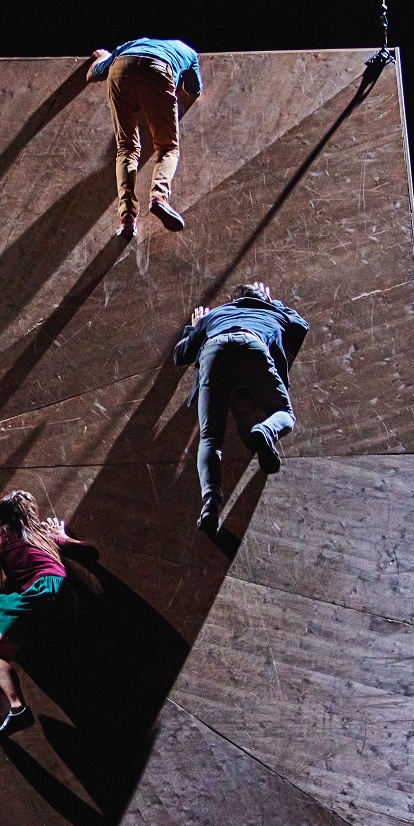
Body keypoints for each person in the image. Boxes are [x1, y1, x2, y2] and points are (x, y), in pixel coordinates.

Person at [0, 490, 99, 736]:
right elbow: (91, 553)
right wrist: (62, 536)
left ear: (0, 518)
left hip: (39, 598)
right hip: (65, 598)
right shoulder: (44, 536)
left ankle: (18, 709)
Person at [173, 282, 309, 529]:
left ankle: (210, 505)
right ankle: (265, 431)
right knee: (284, 413)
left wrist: (193, 329)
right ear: (263, 298)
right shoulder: (273, 311)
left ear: (233, 301)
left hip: (214, 350)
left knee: (210, 438)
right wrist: (272, 302)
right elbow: (300, 327)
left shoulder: (215, 315)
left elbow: (180, 355)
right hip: (252, 346)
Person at [86, 38, 203, 238]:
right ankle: (159, 197)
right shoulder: (188, 52)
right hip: (160, 69)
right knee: (168, 148)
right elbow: (194, 90)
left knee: (127, 149)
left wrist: (101, 58)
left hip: (121, 67)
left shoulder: (130, 44)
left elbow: (93, 75)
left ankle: (127, 218)